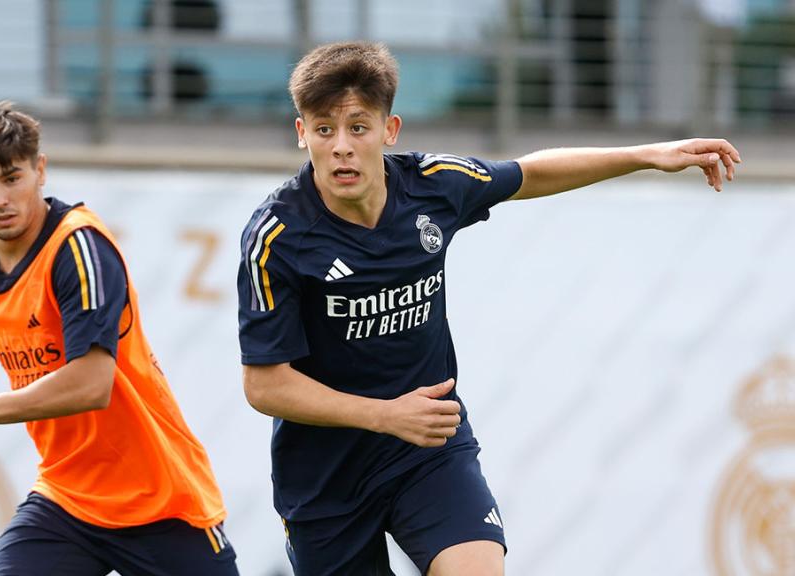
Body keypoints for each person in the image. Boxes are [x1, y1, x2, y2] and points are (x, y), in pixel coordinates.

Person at [237, 41, 740, 576]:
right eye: (323, 129)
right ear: (301, 134)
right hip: (325, 477)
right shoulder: (278, 237)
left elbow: (528, 173)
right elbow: (264, 384)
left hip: (428, 447)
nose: (340, 146)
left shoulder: (432, 185)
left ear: (390, 130)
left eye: (358, 127)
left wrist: (645, 155)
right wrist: (384, 415)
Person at [0, 102, 238, 576]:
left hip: (158, 500)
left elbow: (91, 384)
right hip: (68, 498)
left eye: (12, 178)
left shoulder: (78, 248)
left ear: (40, 171)